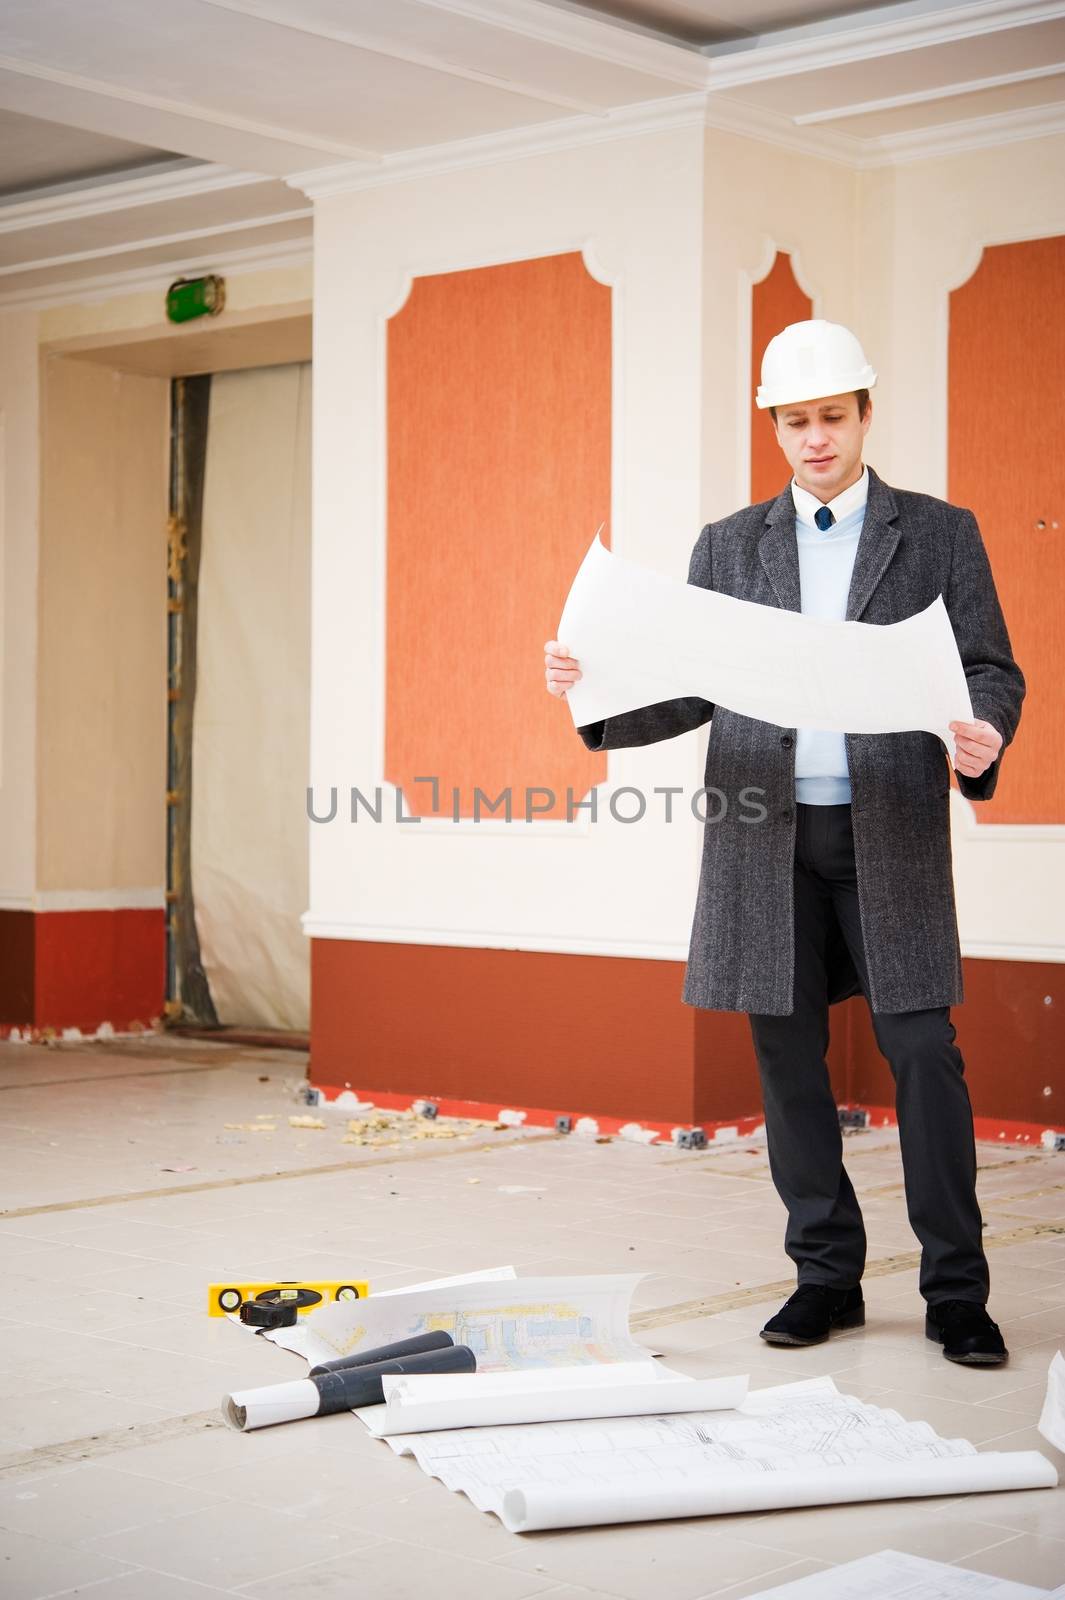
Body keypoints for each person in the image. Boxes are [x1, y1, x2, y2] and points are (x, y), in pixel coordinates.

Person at [544, 320, 1024, 1366]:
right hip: (763, 835)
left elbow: (990, 667)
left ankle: (957, 1292)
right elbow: (688, 685)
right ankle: (826, 1276)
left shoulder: (939, 532)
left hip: (889, 824)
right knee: (786, 1060)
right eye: (796, 421)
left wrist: (983, 730)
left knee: (923, 1055)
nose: (815, 439)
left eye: (832, 418)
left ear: (863, 414)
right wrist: (598, 692)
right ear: (775, 425)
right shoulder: (729, 544)